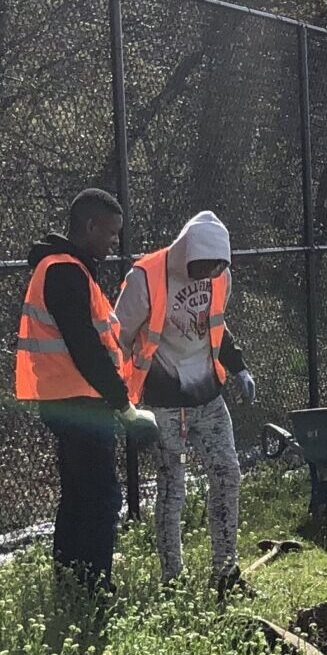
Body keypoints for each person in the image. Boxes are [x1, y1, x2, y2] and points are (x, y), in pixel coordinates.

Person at [116, 210, 255, 593]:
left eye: (217, 266)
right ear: (186, 254)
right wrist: (120, 399)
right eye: (204, 265)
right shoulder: (146, 277)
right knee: (172, 487)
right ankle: (172, 579)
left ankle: (226, 571)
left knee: (227, 475)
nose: (210, 273)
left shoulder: (220, 276)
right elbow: (117, 337)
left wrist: (239, 367)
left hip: (208, 396)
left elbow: (216, 323)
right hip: (163, 402)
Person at [15, 188, 137, 597]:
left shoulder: (70, 268)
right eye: (111, 232)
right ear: (89, 226)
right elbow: (84, 346)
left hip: (69, 398)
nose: (114, 242)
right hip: (79, 401)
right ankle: (95, 587)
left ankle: (71, 581)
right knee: (102, 497)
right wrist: (121, 401)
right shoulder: (66, 271)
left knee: (78, 496)